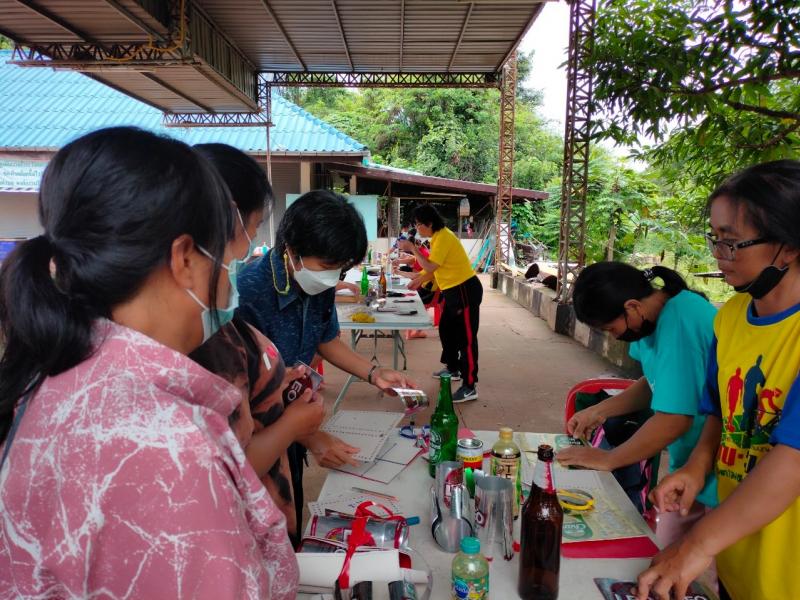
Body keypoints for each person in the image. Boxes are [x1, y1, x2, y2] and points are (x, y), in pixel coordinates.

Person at [0, 127, 298, 598]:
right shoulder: (168, 449)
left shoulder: (52, 375)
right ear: (185, 259)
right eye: (225, 253)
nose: (231, 272)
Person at [634, 160, 800, 600]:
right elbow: (719, 413)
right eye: (714, 239)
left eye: (731, 242)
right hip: (739, 564)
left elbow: (793, 459)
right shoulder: (730, 319)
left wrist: (695, 544)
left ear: (788, 247)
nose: (717, 255)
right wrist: (697, 466)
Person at [236, 189, 413, 536]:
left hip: (293, 423)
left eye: (340, 268)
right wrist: (313, 437)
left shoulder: (317, 283)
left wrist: (374, 373)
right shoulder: (249, 294)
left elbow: (325, 339)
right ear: (292, 250)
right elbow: (249, 401)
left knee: (291, 510)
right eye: (328, 267)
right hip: (254, 436)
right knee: (260, 527)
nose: (333, 278)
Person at [189, 143, 329, 547]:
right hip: (239, 533)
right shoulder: (203, 339)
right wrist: (295, 426)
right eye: (249, 233)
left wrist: (275, 385)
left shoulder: (225, 329)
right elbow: (227, 472)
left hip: (271, 498)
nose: (247, 250)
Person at [557, 262, 718, 542]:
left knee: (699, 558)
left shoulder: (680, 321)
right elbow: (656, 384)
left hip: (720, 469)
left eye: (611, 328)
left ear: (632, 307)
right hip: (688, 466)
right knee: (665, 552)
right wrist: (599, 411)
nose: (614, 336)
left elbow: (675, 419)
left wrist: (609, 459)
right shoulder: (649, 322)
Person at [398, 204, 482, 402]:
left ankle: (470, 386)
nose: (417, 228)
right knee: (446, 329)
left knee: (466, 339)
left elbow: (429, 265)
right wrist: (418, 279)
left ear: (429, 223)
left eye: (418, 224)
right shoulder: (437, 238)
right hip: (452, 292)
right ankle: (453, 368)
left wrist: (413, 248)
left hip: (464, 290)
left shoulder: (444, 237)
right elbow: (434, 269)